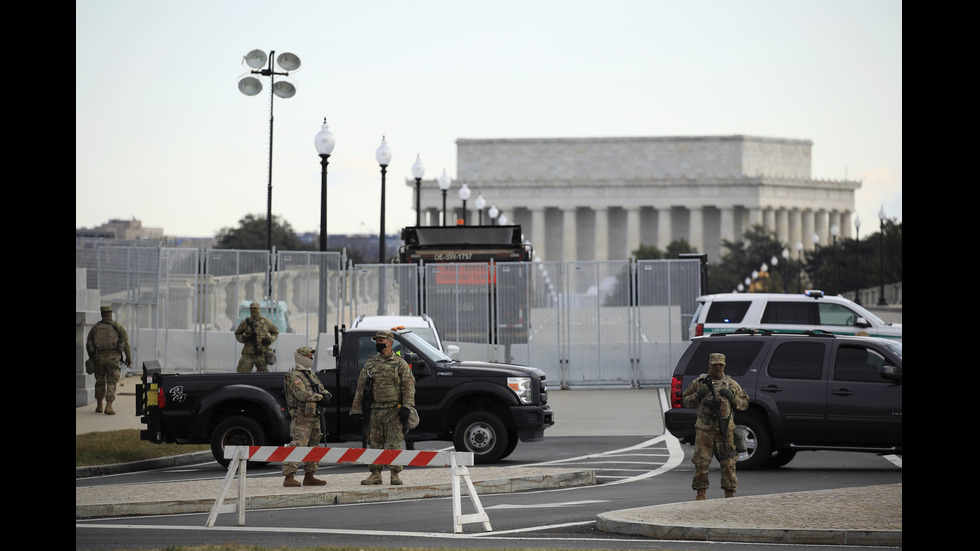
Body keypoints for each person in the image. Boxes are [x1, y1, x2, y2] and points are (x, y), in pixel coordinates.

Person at [349, 330, 416, 485]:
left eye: (381, 340)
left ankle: (395, 474)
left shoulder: (400, 364)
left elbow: (408, 386)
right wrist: (356, 410)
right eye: (377, 341)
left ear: (390, 342)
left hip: (394, 411)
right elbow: (361, 387)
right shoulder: (371, 363)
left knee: (394, 443)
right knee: (375, 443)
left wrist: (407, 407)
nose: (378, 343)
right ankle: (375, 474)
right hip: (374, 411)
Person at [682, 352, 749, 500]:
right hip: (704, 430)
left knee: (729, 464)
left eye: (720, 365)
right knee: (701, 462)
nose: (717, 367)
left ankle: (729, 493)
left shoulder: (731, 384)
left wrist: (732, 397)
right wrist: (698, 394)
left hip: (725, 429)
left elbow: (744, 404)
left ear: (724, 365)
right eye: (715, 365)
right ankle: (701, 493)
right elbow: (686, 400)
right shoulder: (700, 382)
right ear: (709, 365)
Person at [282, 346, 331, 487]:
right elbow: (301, 395)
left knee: (314, 446)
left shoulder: (310, 374)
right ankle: (289, 476)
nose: (310, 358)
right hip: (301, 417)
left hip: (314, 416)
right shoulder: (295, 376)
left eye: (311, 355)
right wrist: (320, 397)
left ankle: (309, 475)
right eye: (308, 356)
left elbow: (321, 388)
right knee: (298, 445)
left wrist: (327, 395)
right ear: (300, 357)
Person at [85, 305, 132, 415]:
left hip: (99, 359)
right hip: (113, 358)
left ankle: (99, 405)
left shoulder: (95, 328)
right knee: (112, 381)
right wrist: (128, 357)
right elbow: (126, 344)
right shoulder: (118, 327)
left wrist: (92, 357)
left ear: (102, 315)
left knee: (100, 381)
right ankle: (109, 406)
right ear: (110, 314)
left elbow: (89, 344)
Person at [234, 302, 279, 373]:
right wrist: (244, 338)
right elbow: (237, 333)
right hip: (248, 354)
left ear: (259, 309)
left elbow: (275, 332)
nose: (254, 310)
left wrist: (269, 339)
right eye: (252, 309)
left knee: (263, 376)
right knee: (242, 374)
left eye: (255, 308)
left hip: (262, 354)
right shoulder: (245, 323)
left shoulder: (266, 322)